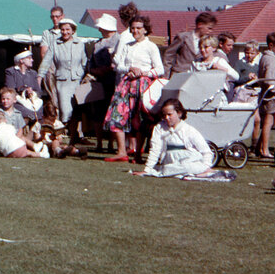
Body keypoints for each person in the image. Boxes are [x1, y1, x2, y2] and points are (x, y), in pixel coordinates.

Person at [104, 15, 163, 163]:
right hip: (126, 83)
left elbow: (160, 69)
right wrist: (129, 68)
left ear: (145, 30)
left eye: (139, 28)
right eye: (133, 28)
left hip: (143, 85)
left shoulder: (151, 46)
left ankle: (139, 153)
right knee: (117, 113)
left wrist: (143, 72)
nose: (135, 31)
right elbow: (119, 66)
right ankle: (121, 151)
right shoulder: (127, 45)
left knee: (141, 118)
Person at [139, 98, 233, 180]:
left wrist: (206, 166)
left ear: (179, 113)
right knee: (166, 169)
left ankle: (204, 172)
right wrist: (147, 169)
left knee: (186, 167)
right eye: (164, 115)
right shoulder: (159, 128)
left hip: (190, 163)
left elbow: (206, 152)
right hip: (170, 165)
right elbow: (155, 150)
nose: (166, 118)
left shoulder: (189, 130)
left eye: (169, 114)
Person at [37, 18, 86, 124]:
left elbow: (84, 62)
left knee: (77, 110)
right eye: (62, 30)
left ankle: (75, 137)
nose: (65, 32)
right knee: (65, 110)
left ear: (73, 30)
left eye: (68, 29)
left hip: (78, 81)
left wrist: (85, 75)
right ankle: (62, 132)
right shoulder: (55, 44)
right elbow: (46, 61)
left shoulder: (80, 44)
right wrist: (40, 77)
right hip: (62, 81)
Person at [85, 13, 120, 152]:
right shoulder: (97, 44)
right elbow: (90, 64)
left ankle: (112, 144)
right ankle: (99, 143)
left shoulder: (119, 40)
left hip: (114, 82)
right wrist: (94, 71)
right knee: (98, 114)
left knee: (112, 113)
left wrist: (107, 69)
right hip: (99, 83)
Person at [256, 32, 275, 159]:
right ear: (271, 45)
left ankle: (259, 148)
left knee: (271, 122)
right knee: (268, 123)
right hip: (271, 96)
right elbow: (268, 79)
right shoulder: (270, 58)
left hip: (268, 95)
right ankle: (264, 150)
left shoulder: (266, 57)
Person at [163, 11, 217, 77]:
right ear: (200, 25)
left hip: (197, 76)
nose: (210, 31)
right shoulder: (183, 37)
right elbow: (168, 56)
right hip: (179, 75)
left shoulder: (208, 42)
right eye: (209, 28)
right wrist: (166, 75)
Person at [191, 35, 238, 103]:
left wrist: (221, 68)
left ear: (214, 48)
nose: (202, 50)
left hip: (216, 98)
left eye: (206, 47)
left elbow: (236, 77)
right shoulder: (196, 64)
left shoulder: (219, 61)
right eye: (200, 47)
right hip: (200, 97)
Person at [5, 49, 42, 125]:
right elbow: (11, 90)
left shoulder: (33, 73)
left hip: (32, 100)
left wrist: (33, 93)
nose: (32, 60)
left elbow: (38, 91)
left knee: (39, 110)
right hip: (18, 101)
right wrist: (24, 91)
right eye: (29, 58)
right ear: (21, 60)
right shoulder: (11, 72)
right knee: (25, 111)